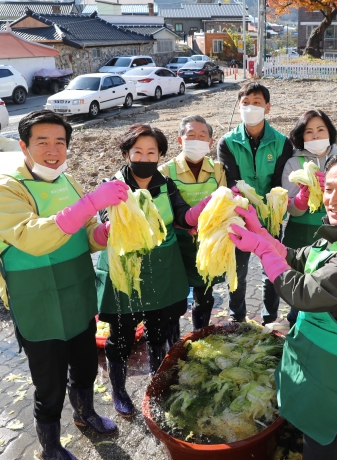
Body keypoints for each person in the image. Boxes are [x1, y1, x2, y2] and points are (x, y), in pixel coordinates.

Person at [229, 152, 337, 460]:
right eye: (329, 188)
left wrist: (261, 250)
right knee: (313, 436)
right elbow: (297, 259)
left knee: (327, 448)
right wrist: (261, 233)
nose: (333, 199)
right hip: (318, 361)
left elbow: (304, 293)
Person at [0, 110, 124, 460]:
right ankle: (50, 447)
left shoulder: (68, 182)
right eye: (42, 142)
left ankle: (85, 413)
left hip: (76, 294)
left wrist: (104, 233)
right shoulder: (3, 191)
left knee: (86, 366)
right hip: (37, 303)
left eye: (60, 142)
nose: (52, 150)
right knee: (49, 385)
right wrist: (92, 201)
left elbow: (86, 231)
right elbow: (33, 239)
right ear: (24, 147)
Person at [95, 123, 209, 418]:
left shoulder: (166, 185)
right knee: (121, 337)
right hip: (127, 274)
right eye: (138, 152)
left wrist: (201, 211)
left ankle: (157, 384)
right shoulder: (115, 186)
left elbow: (182, 215)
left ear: (159, 155)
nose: (145, 158)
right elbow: (105, 216)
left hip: (162, 271)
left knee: (159, 332)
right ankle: (118, 390)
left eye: (152, 152)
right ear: (126, 153)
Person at [217, 81, 294, 324]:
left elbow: (279, 184)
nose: (251, 107)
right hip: (238, 216)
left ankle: (270, 317)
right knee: (237, 270)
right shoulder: (227, 142)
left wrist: (267, 214)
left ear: (267, 108)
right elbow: (231, 182)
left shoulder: (282, 143)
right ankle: (237, 317)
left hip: (270, 218)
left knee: (271, 271)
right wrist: (246, 212)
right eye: (246, 103)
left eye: (257, 103)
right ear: (239, 107)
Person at [158, 115, 227, 330]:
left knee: (204, 297)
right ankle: (174, 342)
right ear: (180, 140)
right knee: (175, 298)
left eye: (202, 135)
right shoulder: (165, 171)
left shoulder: (217, 169)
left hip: (206, 242)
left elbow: (223, 204)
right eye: (190, 135)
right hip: (177, 244)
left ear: (210, 142)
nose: (196, 139)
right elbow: (162, 211)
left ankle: (200, 333)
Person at [281, 109, 337, 327]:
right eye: (309, 132)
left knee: (327, 280)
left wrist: (333, 190)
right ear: (301, 136)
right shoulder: (292, 163)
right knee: (300, 282)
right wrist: (302, 198)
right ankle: (295, 322)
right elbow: (291, 209)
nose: (315, 136)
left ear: (329, 133)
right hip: (299, 232)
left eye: (320, 130)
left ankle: (323, 324)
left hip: (333, 232)